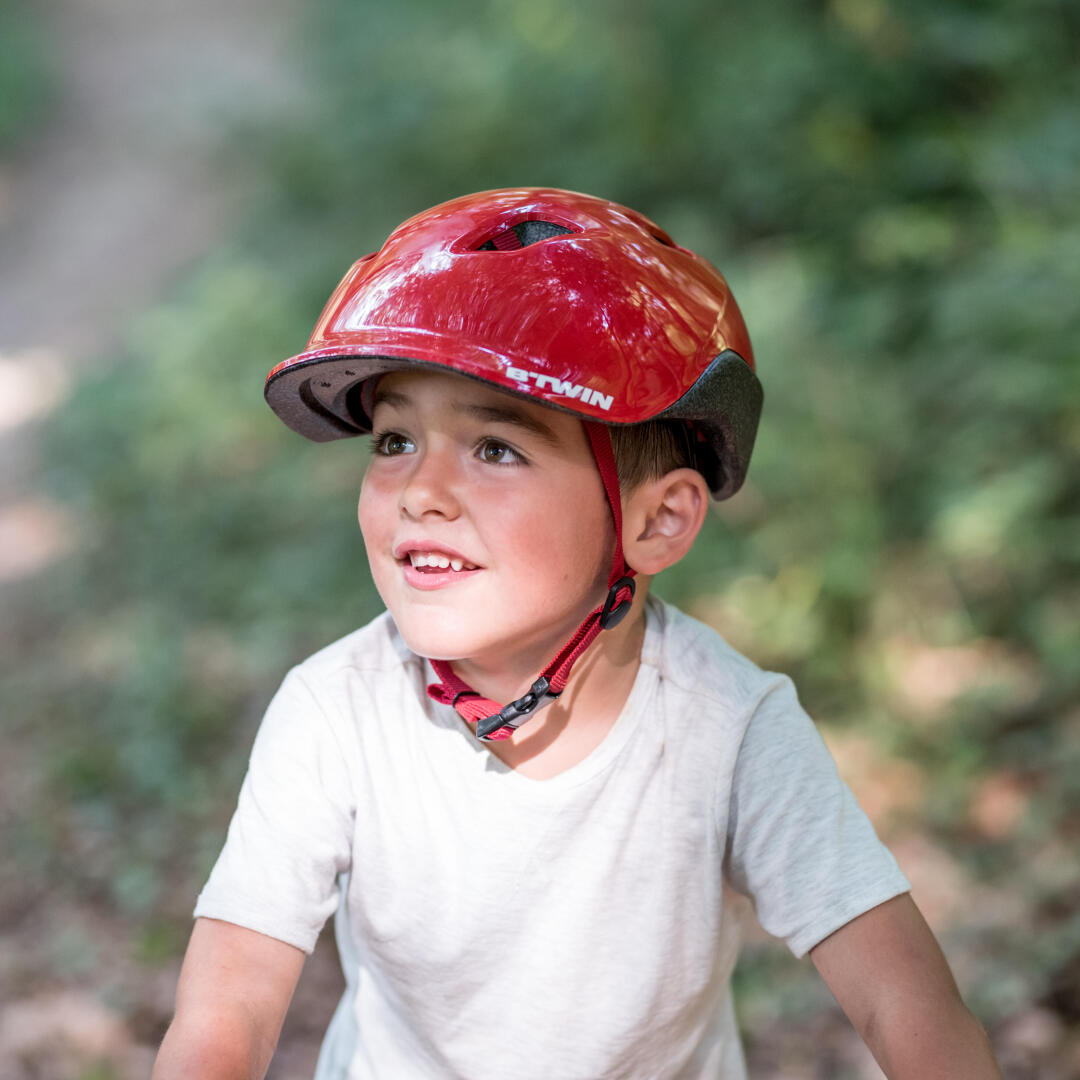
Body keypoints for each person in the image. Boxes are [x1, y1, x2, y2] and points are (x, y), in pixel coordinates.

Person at [153, 188, 1002, 1079]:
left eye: (495, 449)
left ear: (658, 522)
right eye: (394, 440)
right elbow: (228, 1012)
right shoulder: (337, 713)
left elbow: (905, 1001)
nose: (420, 492)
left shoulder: (728, 728)